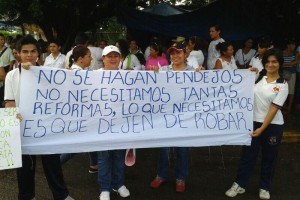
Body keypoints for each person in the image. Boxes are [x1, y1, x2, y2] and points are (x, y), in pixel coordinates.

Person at [4, 34, 74, 200]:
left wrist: (72, 76)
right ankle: (27, 196)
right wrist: (13, 113)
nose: (29, 55)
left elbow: (65, 88)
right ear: (17, 53)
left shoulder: (49, 74)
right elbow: (8, 102)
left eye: (33, 51)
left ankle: (61, 195)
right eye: (25, 51)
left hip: (46, 127)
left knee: (53, 163)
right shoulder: (11, 76)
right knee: (25, 167)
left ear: (38, 53)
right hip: (23, 128)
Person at [225, 48, 289, 200]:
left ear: (280, 64)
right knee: (248, 156)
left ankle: (265, 187)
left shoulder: (283, 84)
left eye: (274, 62)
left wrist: (261, 129)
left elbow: (273, 110)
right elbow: (239, 87)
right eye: (268, 61)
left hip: (272, 126)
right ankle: (240, 184)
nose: (270, 64)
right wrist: (249, 73)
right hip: (252, 122)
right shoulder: (259, 77)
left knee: (269, 157)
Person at [150, 41, 194, 193]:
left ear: (185, 54)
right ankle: (161, 175)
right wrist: (155, 75)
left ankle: (180, 177)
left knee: (182, 149)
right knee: (165, 148)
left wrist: (202, 76)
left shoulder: (193, 72)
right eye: (172, 53)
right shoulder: (163, 71)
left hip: (185, 117)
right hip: (167, 116)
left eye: (178, 52)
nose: (175, 55)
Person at [98, 45, 130, 200]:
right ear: (103, 59)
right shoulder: (93, 75)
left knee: (118, 155)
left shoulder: (127, 76)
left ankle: (119, 184)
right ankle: (105, 187)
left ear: (120, 58)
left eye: (115, 56)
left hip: (120, 124)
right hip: (101, 124)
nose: (112, 59)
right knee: (104, 157)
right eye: (109, 56)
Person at [60, 45, 98, 173]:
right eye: (89, 56)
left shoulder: (76, 72)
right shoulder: (80, 74)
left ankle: (94, 164)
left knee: (91, 140)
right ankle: (56, 166)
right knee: (78, 145)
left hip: (82, 114)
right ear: (81, 58)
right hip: (81, 115)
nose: (91, 59)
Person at [282, 38, 299, 114]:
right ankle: (283, 105)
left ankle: (289, 107)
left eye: (294, 45)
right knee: (282, 90)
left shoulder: (295, 53)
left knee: (291, 91)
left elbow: (296, 62)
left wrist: (286, 64)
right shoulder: (282, 53)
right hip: (283, 73)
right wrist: (291, 64)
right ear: (288, 45)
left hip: (292, 73)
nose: (294, 46)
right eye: (292, 45)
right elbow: (280, 63)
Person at [0, 33, 15, 108]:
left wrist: (9, 71)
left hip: (6, 69)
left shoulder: (8, 50)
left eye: (2, 39)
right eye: (0, 39)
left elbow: (12, 61)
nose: (1, 41)